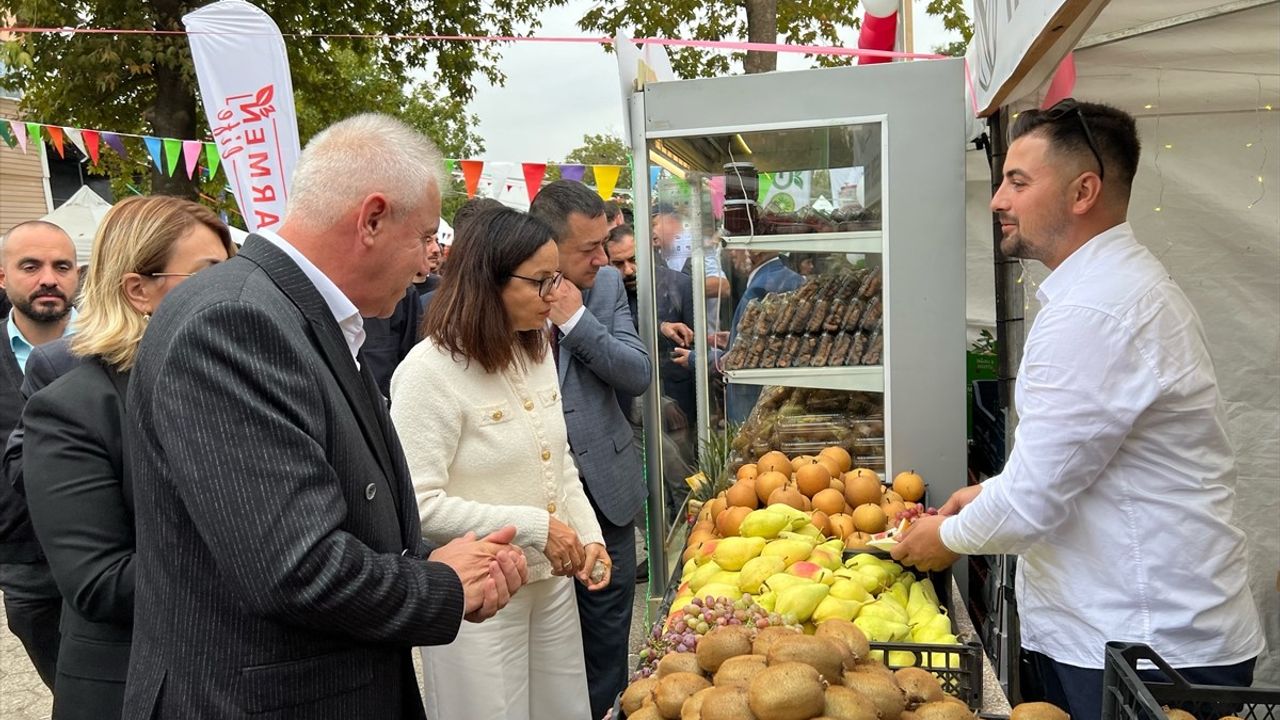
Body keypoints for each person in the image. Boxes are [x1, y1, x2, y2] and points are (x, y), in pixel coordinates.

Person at [122, 114, 528, 720]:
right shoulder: (235, 322)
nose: (426, 265)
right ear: (371, 219)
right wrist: (441, 585)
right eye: (422, 239)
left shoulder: (292, 312)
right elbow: (294, 566)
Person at [891, 100, 1264, 720]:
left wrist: (948, 538)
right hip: (1136, 632)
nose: (997, 201)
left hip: (1143, 645)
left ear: (1083, 190)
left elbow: (1037, 500)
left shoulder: (1094, 312)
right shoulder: (1115, 289)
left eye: (1018, 181)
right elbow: (1083, 461)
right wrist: (986, 496)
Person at [391, 206, 608, 720]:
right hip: (478, 597)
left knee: (565, 710)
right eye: (541, 282)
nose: (555, 295)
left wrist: (587, 533)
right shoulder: (429, 371)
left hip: (551, 584)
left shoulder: (534, 349)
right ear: (487, 280)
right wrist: (537, 527)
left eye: (556, 277)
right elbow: (417, 505)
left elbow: (559, 461)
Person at [22, 196, 234, 719]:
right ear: (139, 290)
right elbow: (99, 582)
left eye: (234, 273)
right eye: (211, 276)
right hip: (135, 688)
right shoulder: (73, 409)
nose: (235, 293)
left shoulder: (236, 386)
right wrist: (271, 561)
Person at [529, 180, 651, 720]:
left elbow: (636, 372)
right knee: (548, 646)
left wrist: (576, 322)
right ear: (546, 245)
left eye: (606, 244)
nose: (605, 259)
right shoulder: (502, 295)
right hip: (535, 507)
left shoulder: (601, 290)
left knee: (606, 640)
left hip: (605, 493)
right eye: (589, 249)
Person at [0, 219, 80, 689]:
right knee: (68, 693)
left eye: (61, 266)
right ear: (4, 276)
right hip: (26, 563)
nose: (48, 278)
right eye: (31, 266)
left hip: (115, 555)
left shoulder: (113, 348)